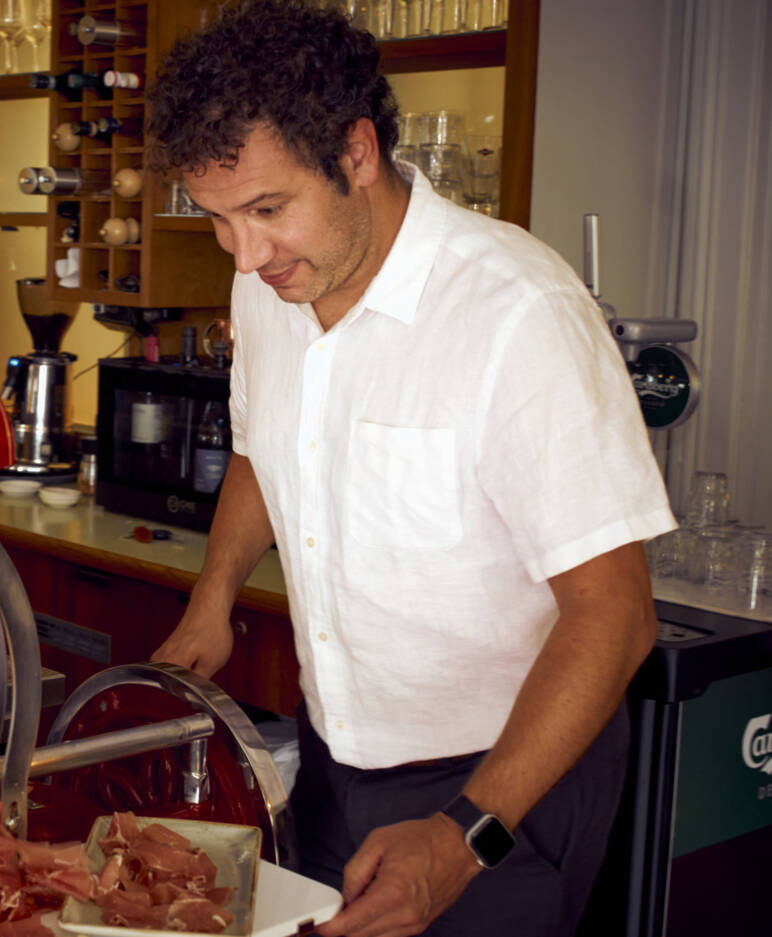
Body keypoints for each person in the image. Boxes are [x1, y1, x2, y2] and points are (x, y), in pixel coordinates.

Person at [145, 3, 674, 935]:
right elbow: (266, 450)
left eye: (267, 209)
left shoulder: (518, 311)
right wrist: (213, 598)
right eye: (220, 218)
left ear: (356, 153)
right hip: (334, 759)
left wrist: (465, 831)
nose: (245, 251)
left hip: (505, 782)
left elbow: (618, 616)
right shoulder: (270, 285)